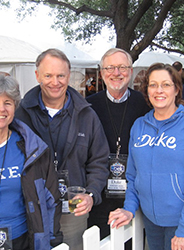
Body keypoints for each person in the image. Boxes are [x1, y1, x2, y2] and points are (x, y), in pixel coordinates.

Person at [15, 48, 109, 250]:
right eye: (48, 75)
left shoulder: (87, 115)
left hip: (72, 209)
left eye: (61, 75)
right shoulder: (20, 115)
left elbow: (99, 161)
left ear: (69, 76)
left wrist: (90, 194)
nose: (55, 82)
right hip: (32, 209)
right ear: (37, 75)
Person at [108, 63, 184, 250]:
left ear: (176, 89)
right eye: (153, 85)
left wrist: (182, 230)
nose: (159, 90)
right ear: (147, 90)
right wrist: (129, 208)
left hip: (178, 222)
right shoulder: (140, 125)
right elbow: (133, 176)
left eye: (166, 84)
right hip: (150, 220)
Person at [0, 74, 62, 250]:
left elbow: (51, 199)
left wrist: (49, 240)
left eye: (8, 103)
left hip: (23, 239)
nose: (1, 109)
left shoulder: (32, 149)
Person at [86, 48, 150, 241]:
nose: (116, 73)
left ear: (130, 71)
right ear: (102, 72)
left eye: (122, 67)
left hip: (135, 196)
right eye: (110, 68)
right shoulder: (88, 106)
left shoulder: (145, 104)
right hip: (99, 195)